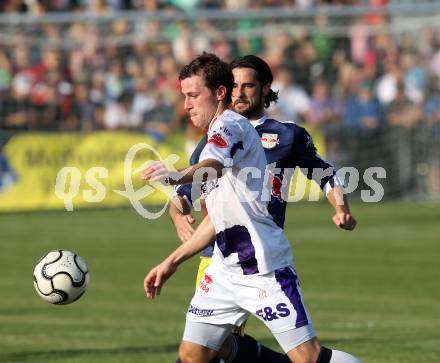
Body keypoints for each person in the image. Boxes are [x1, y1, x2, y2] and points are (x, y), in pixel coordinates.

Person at [142, 53, 361, 363]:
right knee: (194, 355)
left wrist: (340, 206)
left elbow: (213, 167)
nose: (187, 104)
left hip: (262, 267)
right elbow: (216, 217)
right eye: (185, 96)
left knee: (309, 358)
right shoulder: (211, 138)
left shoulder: (233, 128)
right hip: (222, 266)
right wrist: (172, 259)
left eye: (193, 96)